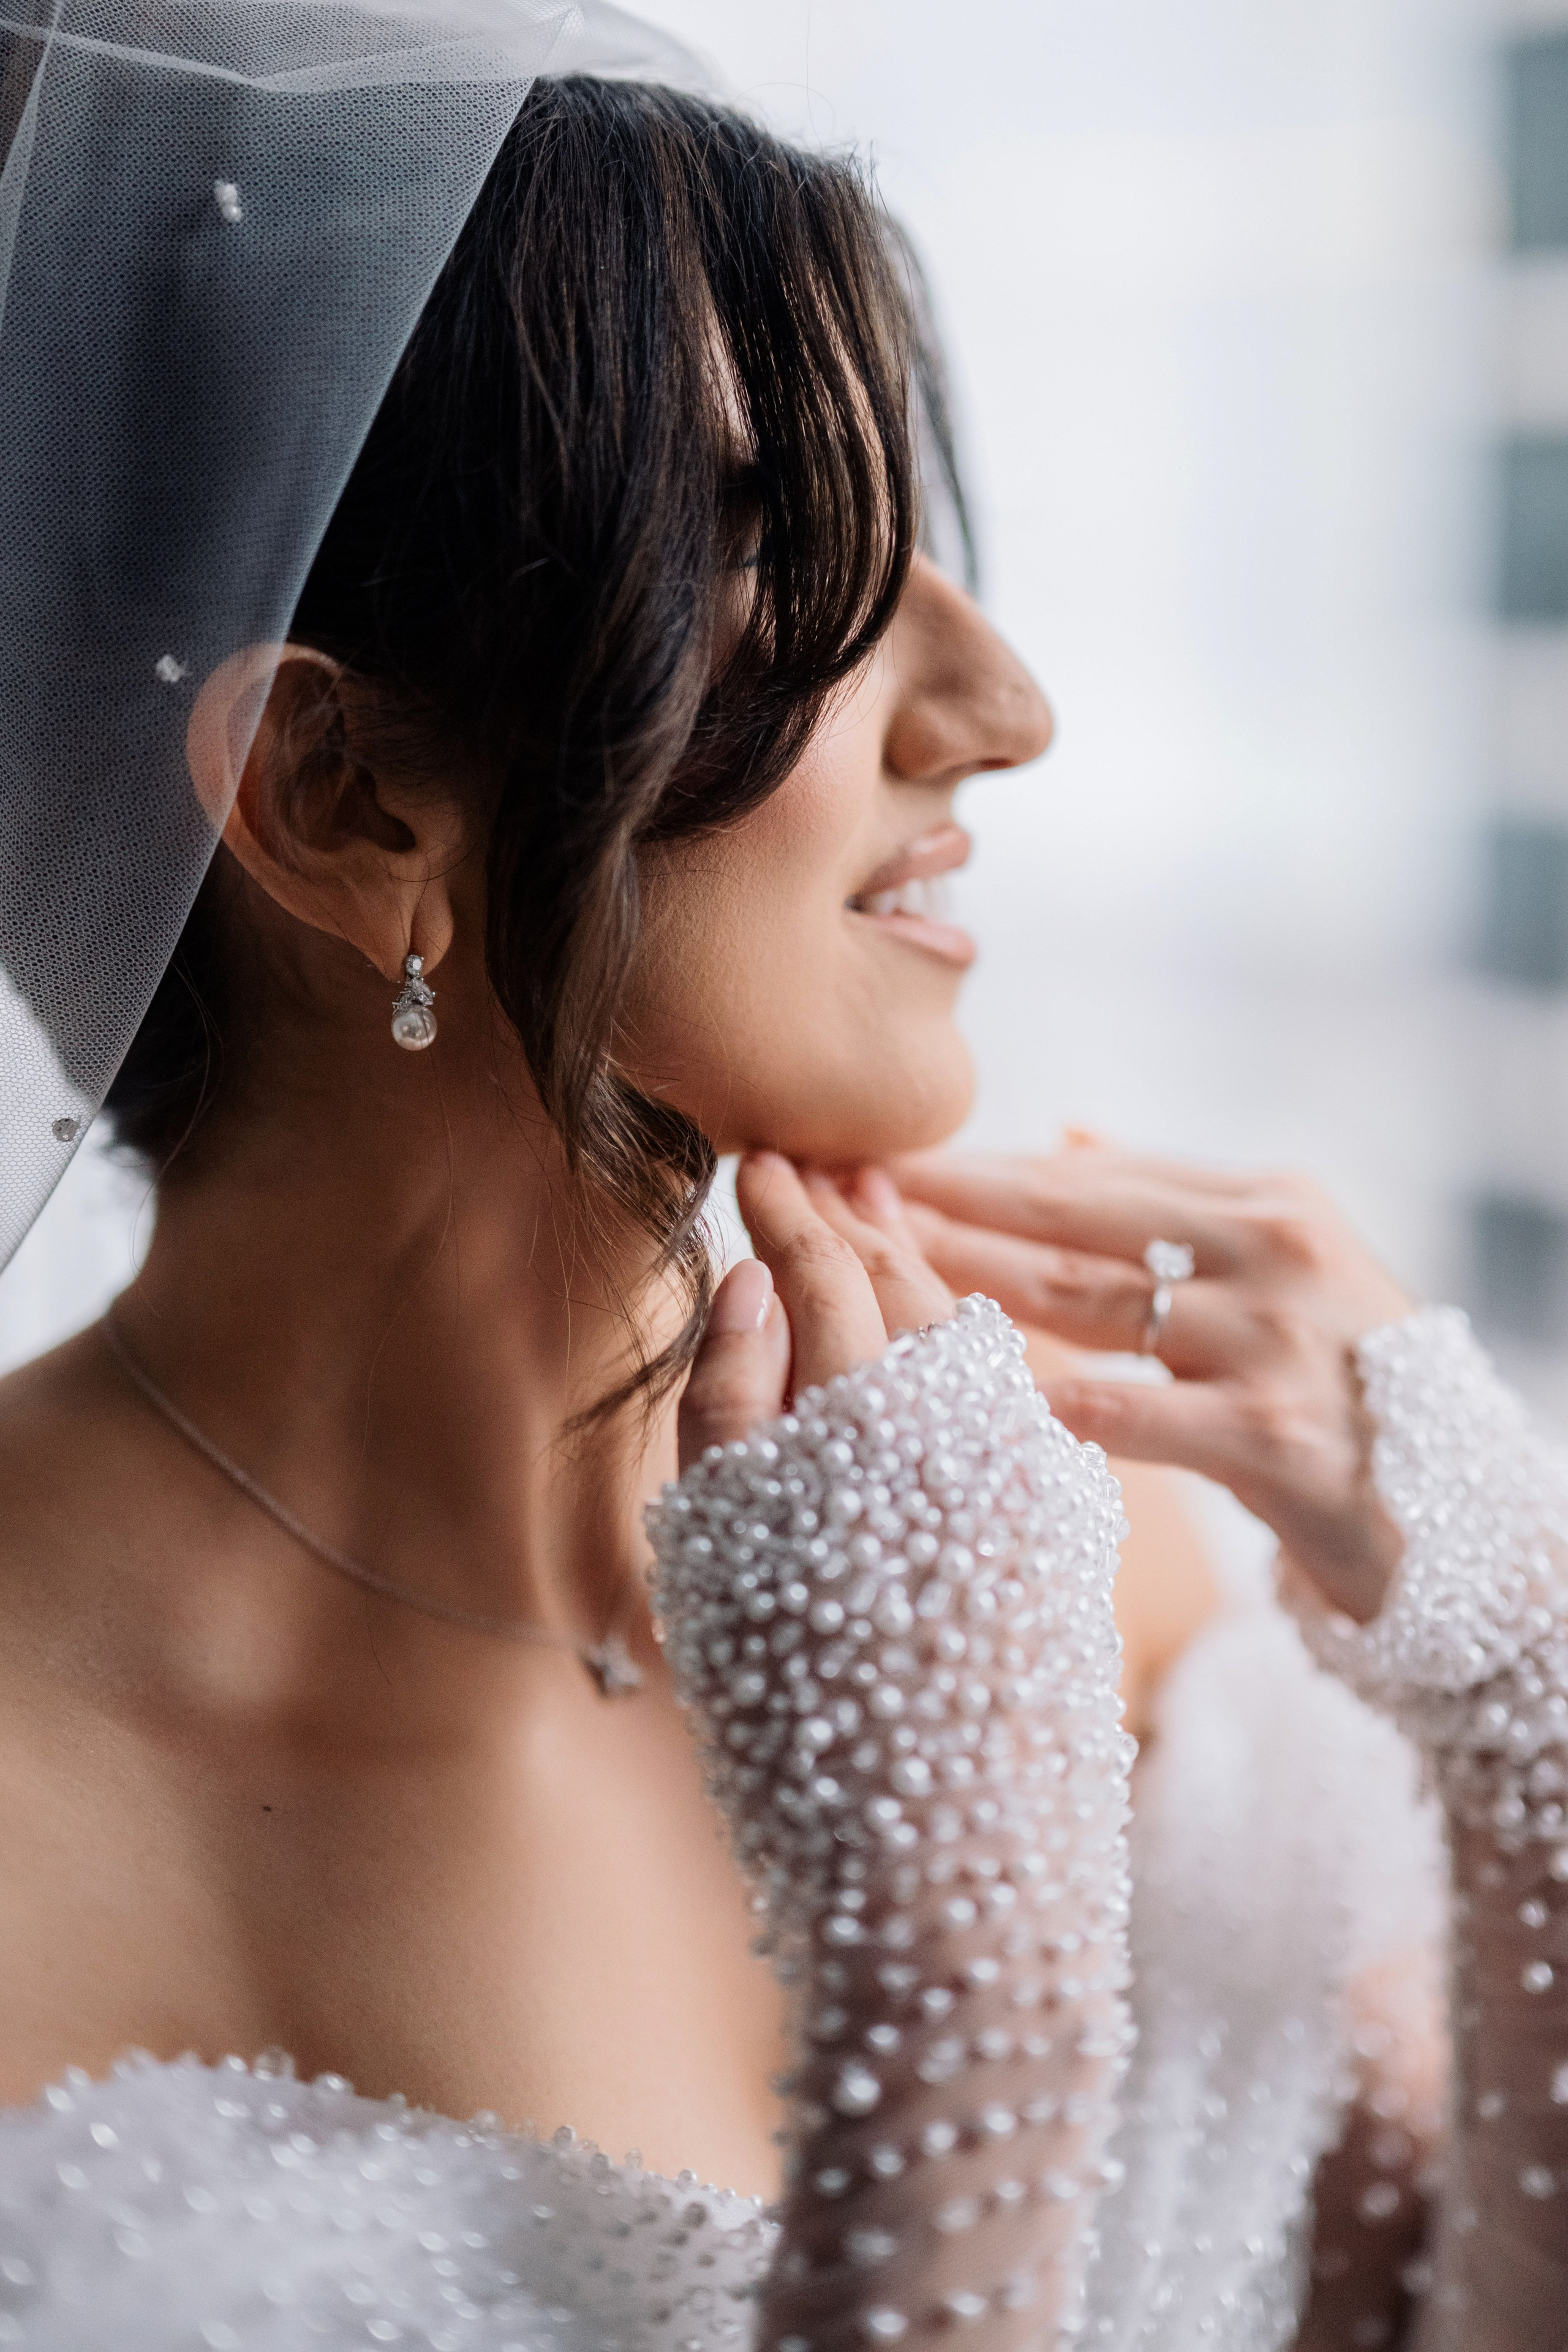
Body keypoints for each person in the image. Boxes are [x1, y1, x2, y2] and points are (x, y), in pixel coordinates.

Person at [0, 8, 1561, 2346]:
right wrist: (973, 2012)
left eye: (925, 534)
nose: (1003, 706)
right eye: (794, 556)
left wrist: (1524, 1704)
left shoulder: (1066, 1540)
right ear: (339, 797)